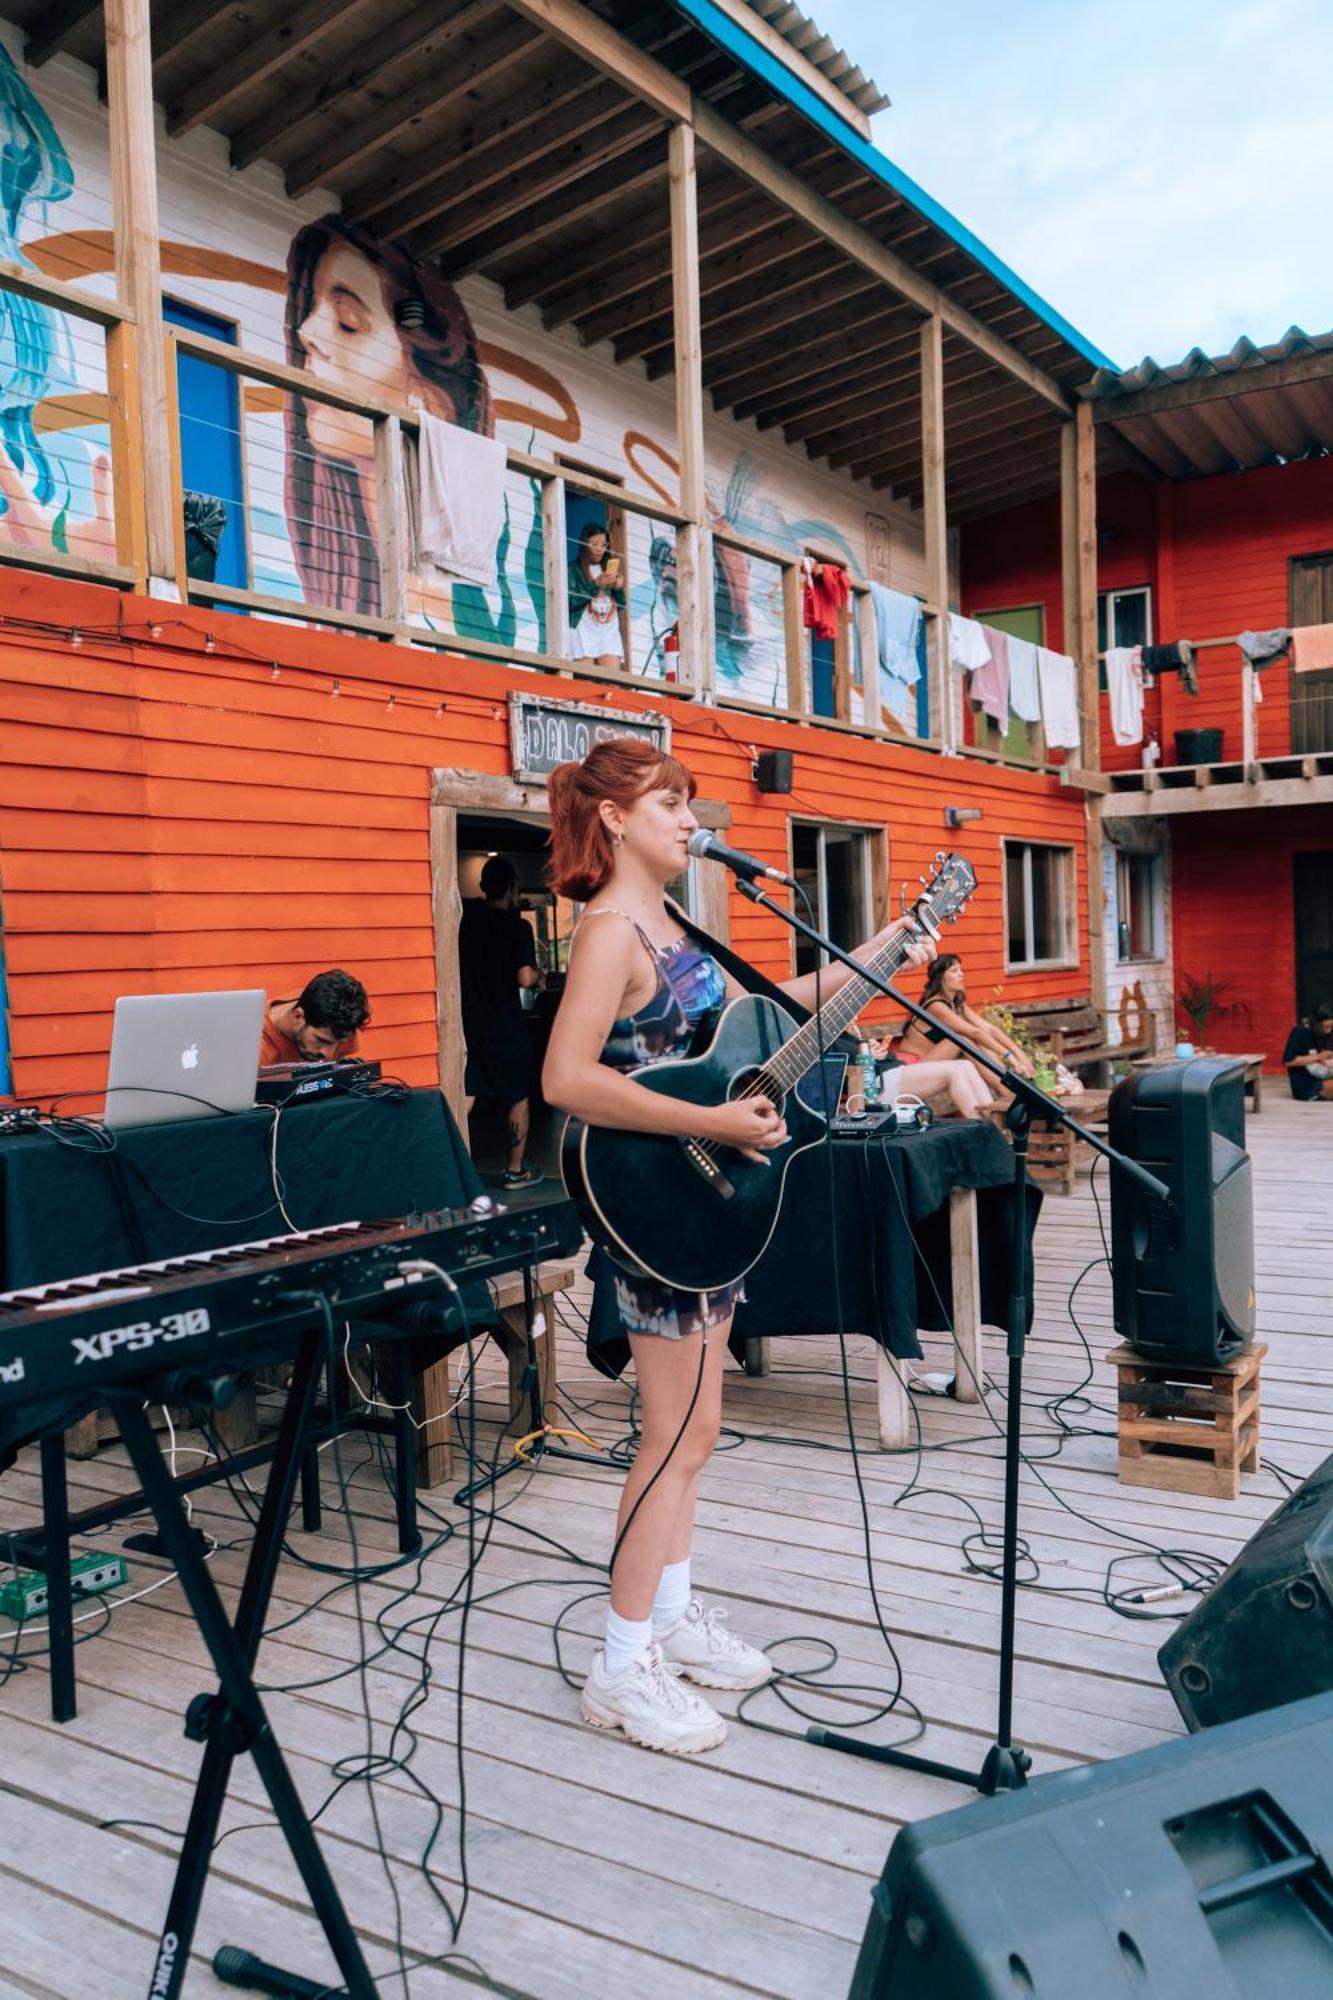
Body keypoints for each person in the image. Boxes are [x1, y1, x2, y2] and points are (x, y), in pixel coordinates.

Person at [542, 738, 930, 1756]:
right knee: (666, 1438)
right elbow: (565, 1081)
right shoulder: (608, 930)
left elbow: (762, 1022)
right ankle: (621, 1665)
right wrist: (711, 1127)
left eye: (688, 801)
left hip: (704, 1207)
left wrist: (885, 949)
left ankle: (668, 1617)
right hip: (656, 1206)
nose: (688, 817)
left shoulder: (674, 919)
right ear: (615, 820)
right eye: (667, 802)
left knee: (699, 1431)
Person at [285, 214, 492, 617]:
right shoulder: (339, 579)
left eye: (348, 323)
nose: (306, 331)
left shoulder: (440, 616)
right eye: (311, 308)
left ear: (424, 402)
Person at [460, 856, 544, 1189]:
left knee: (467, 1094)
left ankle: (455, 1171)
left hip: (469, 1025)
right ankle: (515, 1170)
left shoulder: (466, 923)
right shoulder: (517, 927)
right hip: (505, 1026)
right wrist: (539, 975)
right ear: (512, 888)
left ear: (483, 887)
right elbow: (524, 978)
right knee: (518, 1096)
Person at [894, 954, 1036, 1080]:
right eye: (954, 971)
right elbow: (974, 1032)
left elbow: (988, 1029)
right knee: (962, 1040)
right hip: (912, 1067)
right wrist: (1010, 1057)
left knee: (978, 1042)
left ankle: (1009, 1087)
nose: (961, 975)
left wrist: (1018, 1053)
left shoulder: (957, 1003)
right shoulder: (935, 1006)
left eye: (961, 970)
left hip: (933, 1061)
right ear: (941, 978)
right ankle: (1008, 1089)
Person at [260, 969, 370, 1066]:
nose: (328, 1054)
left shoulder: (339, 1017)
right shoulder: (256, 1047)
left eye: (339, 1043)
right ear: (298, 1016)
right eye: (320, 1040)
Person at [568, 522, 626, 669]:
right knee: (585, 682)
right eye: (594, 544)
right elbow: (570, 602)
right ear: (584, 544)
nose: (599, 549)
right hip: (582, 629)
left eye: (603, 545)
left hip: (608, 630)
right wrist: (596, 584)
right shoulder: (572, 568)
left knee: (612, 681)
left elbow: (620, 607)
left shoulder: (607, 567)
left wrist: (618, 589)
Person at [1283, 1004, 1333, 1101]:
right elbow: (1289, 1061)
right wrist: (1318, 1057)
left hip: (1324, 1077)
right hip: (1307, 1086)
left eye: (1331, 1027)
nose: (1329, 1031)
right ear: (1316, 1024)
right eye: (1326, 1027)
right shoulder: (1300, 1033)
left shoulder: (1325, 1034)